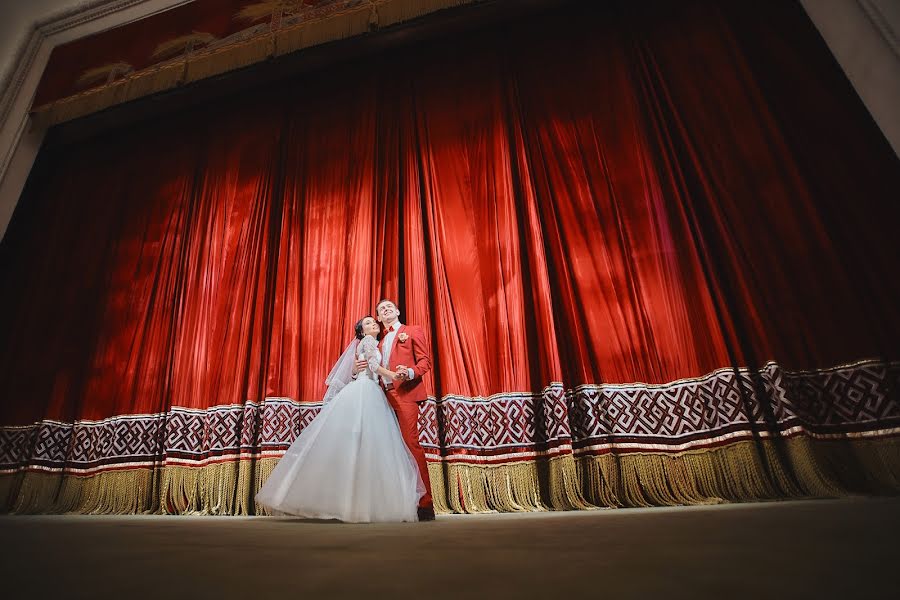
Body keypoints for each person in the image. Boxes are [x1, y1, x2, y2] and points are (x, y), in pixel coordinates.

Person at [255, 316, 425, 522]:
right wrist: (393, 375)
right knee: (371, 444)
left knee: (358, 444)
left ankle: (348, 501)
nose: (374, 325)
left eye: (374, 322)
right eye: (369, 323)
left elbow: (364, 366)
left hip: (368, 388)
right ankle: (362, 503)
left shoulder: (372, 342)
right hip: (366, 391)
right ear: (362, 331)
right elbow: (372, 365)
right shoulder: (369, 341)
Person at [353, 298, 435, 521]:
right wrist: (356, 368)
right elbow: (368, 366)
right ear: (378, 319)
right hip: (381, 397)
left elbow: (425, 362)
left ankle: (425, 503)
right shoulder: (375, 342)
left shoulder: (412, 330)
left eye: (389, 306)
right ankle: (396, 500)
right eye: (381, 309)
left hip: (406, 393)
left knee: (410, 444)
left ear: (398, 311)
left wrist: (408, 372)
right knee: (387, 449)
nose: (386, 309)